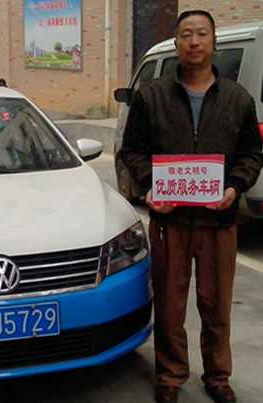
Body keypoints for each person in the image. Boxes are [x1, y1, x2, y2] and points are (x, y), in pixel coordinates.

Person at [119, 9, 262, 403]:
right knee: (169, 304)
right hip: (171, 221)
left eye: (201, 34)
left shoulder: (237, 99)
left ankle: (217, 376)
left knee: (216, 305)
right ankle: (170, 376)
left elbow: (252, 153)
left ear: (213, 42)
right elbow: (132, 150)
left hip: (219, 220)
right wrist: (149, 186)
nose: (194, 42)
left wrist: (234, 186)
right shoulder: (152, 96)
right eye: (186, 34)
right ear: (176, 43)